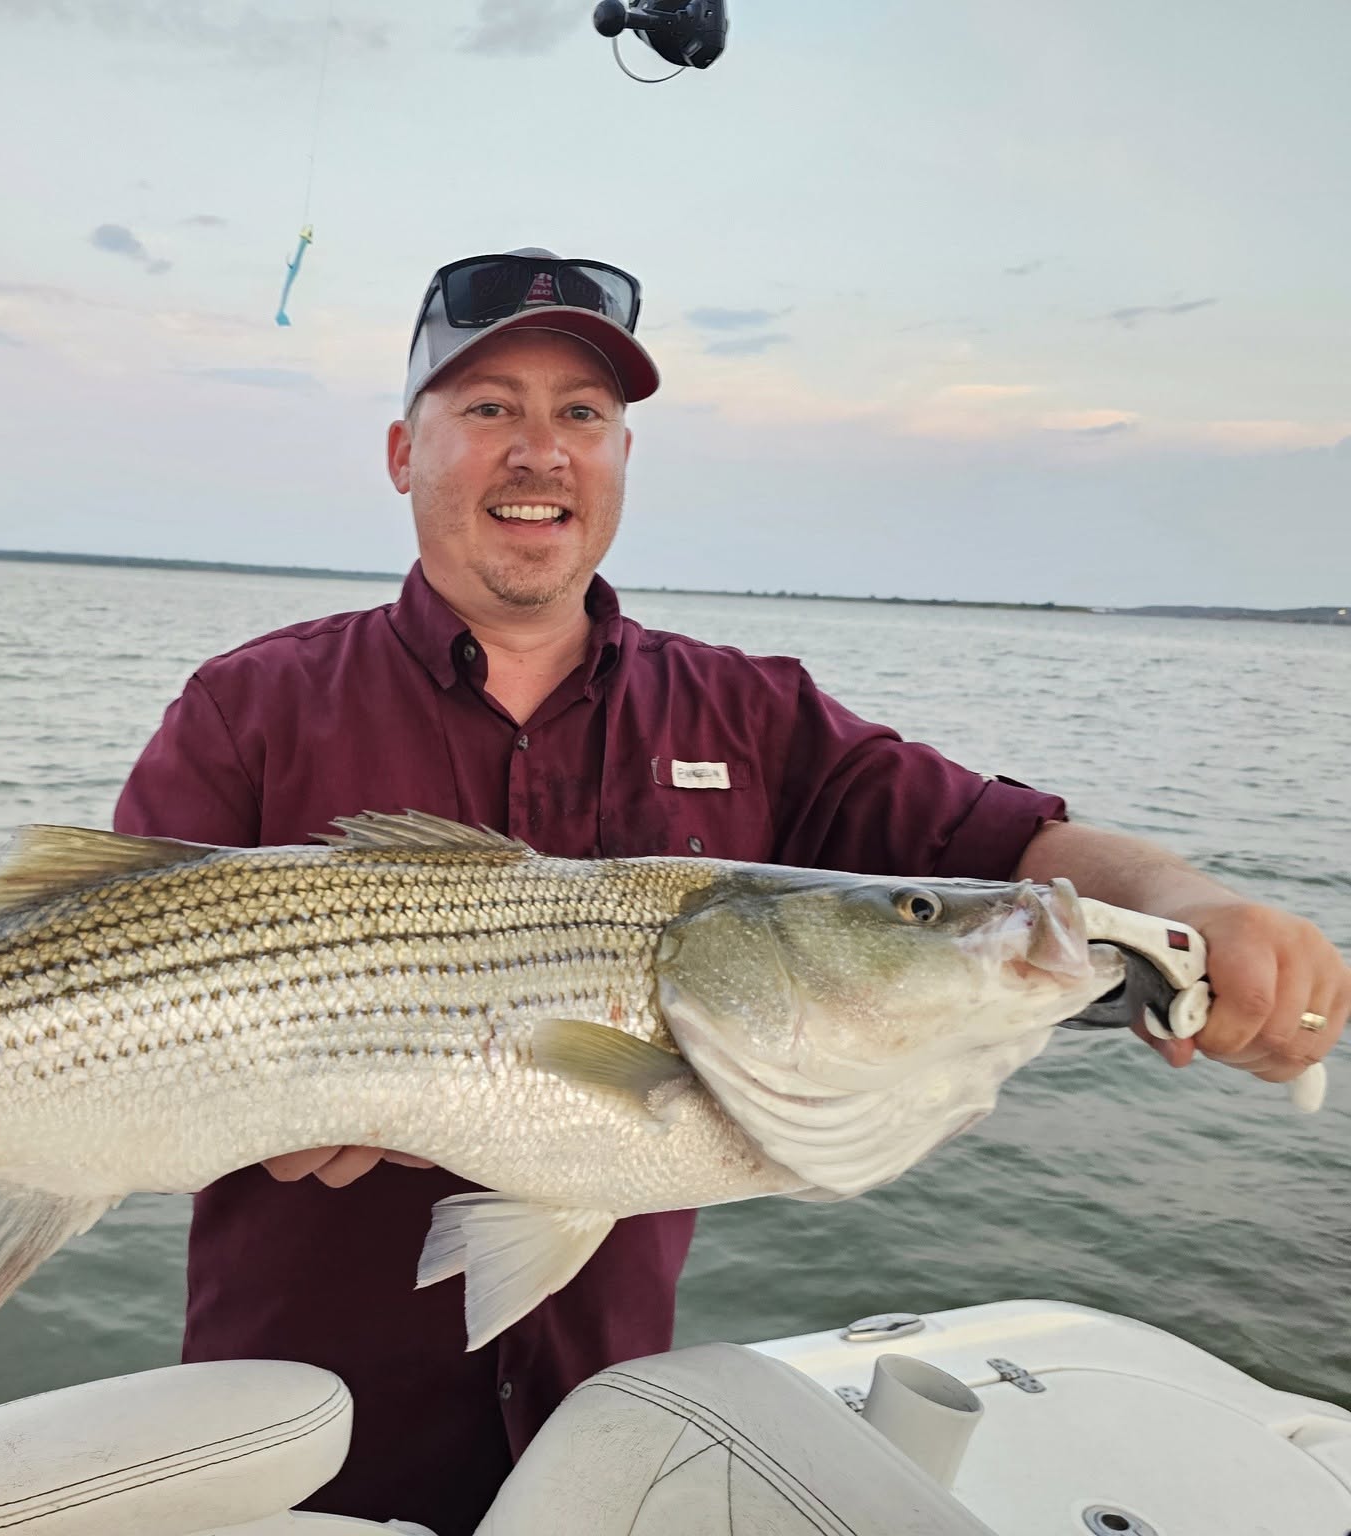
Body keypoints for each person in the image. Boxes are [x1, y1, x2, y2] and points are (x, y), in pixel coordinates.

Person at [113, 248, 1349, 1536]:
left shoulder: (757, 714)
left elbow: (1007, 847)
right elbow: (95, 975)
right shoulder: (248, 706)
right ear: (400, 451)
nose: (539, 454)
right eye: (488, 409)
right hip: (282, 1432)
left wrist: (1190, 901)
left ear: (623, 458)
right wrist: (235, 1089)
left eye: (581, 415)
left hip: (612, 1432)